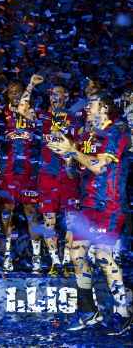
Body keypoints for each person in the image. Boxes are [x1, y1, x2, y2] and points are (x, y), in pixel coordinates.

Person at [48, 91, 132, 335]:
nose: (86, 108)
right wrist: (67, 158)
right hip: (87, 204)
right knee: (76, 253)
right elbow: (78, 172)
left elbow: (98, 167)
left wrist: (73, 153)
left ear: (104, 108)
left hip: (108, 204)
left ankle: (124, 314)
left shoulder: (115, 132)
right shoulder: (87, 135)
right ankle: (88, 310)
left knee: (103, 256)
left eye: (92, 104)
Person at [0, 78, 41, 274]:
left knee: (32, 214)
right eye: (11, 91)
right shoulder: (1, 113)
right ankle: (7, 256)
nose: (15, 94)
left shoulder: (33, 112)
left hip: (29, 171)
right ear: (6, 94)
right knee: (7, 213)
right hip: (8, 172)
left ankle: (37, 257)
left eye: (18, 91)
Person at [36, 81, 80, 277]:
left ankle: (66, 261)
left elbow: (78, 144)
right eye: (52, 93)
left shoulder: (75, 117)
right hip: (47, 174)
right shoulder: (42, 116)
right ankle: (55, 262)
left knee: (70, 221)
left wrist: (61, 135)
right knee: (48, 219)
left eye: (59, 94)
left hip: (69, 173)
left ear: (67, 97)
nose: (54, 97)